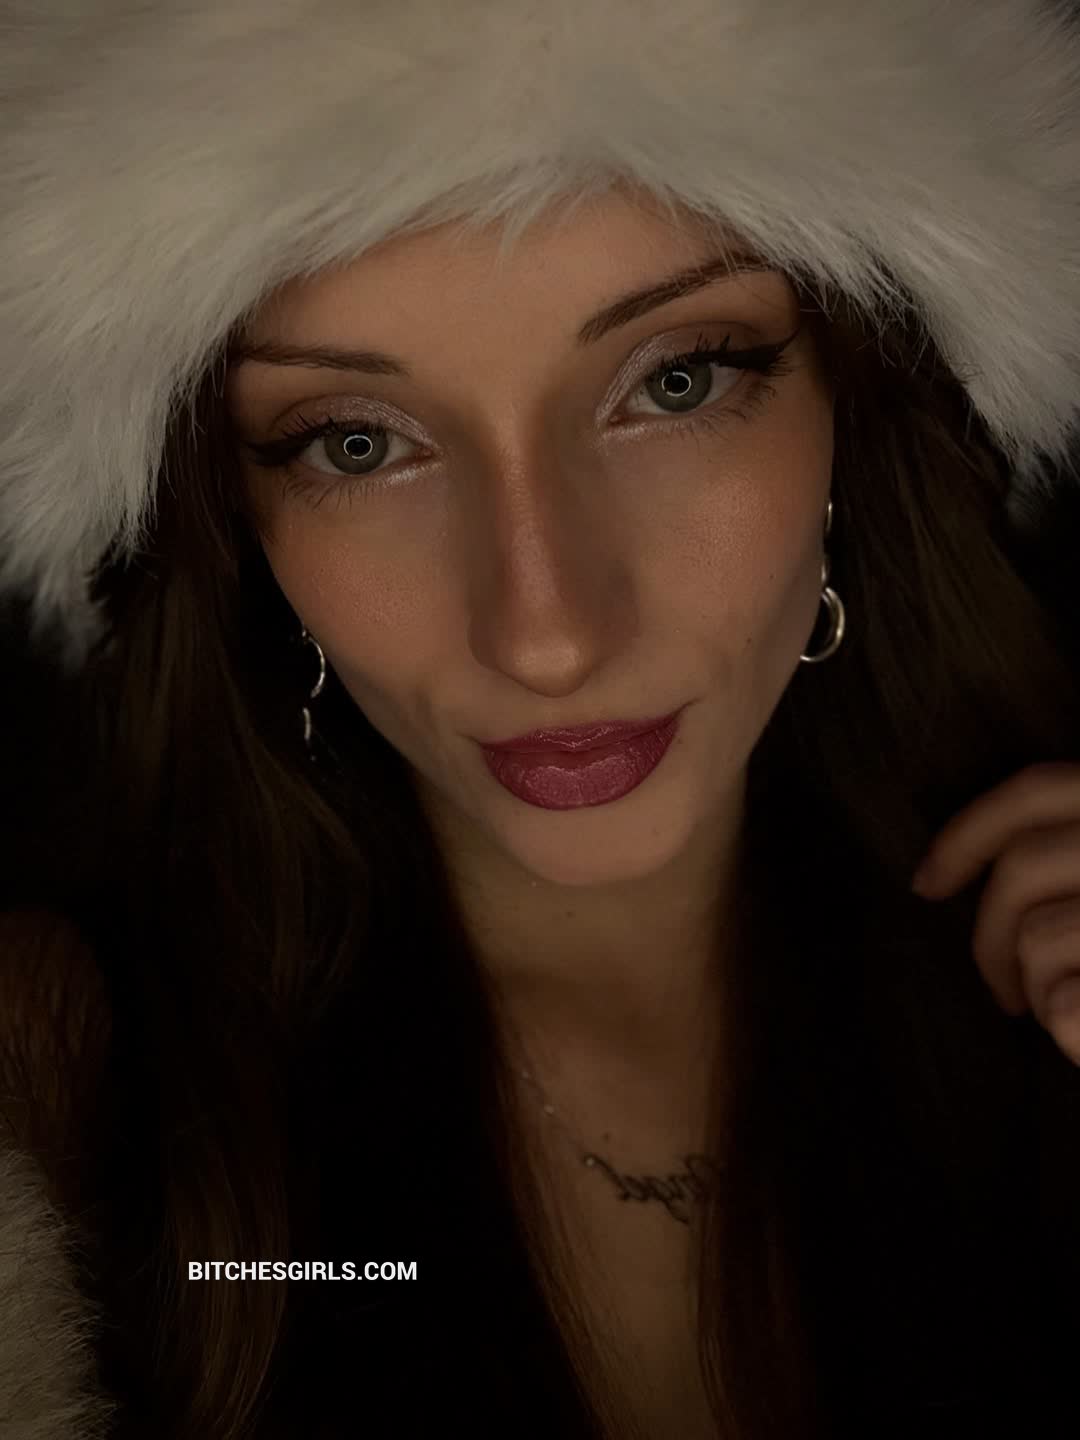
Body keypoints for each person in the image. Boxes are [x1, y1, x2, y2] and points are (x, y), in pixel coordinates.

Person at [1, 2, 1080, 1437]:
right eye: (357, 443)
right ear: (235, 521)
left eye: (677, 381)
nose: (549, 634)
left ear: (859, 402)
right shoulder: (61, 1102)